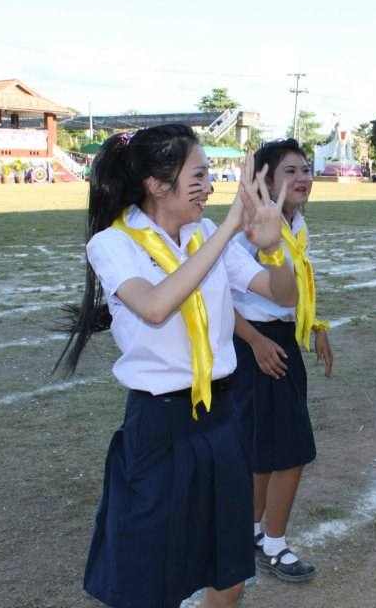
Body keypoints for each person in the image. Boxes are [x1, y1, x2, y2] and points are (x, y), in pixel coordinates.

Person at [56, 125, 298, 608]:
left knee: (228, 577)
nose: (211, 187)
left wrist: (275, 247)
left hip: (220, 419)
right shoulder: (114, 243)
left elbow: (283, 295)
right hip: (159, 425)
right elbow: (155, 306)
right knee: (150, 583)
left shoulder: (203, 233)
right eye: (200, 175)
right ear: (156, 184)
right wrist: (230, 228)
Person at [231, 139, 331, 583]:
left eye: (306, 169)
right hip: (259, 344)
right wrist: (254, 340)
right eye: (290, 170)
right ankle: (273, 543)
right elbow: (213, 297)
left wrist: (315, 325)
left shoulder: (294, 221)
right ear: (265, 181)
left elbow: (296, 285)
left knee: (265, 450)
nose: (303, 178)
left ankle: (252, 531)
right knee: (291, 450)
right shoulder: (248, 230)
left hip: (282, 338)